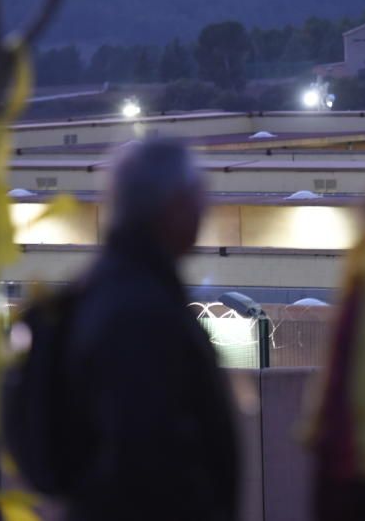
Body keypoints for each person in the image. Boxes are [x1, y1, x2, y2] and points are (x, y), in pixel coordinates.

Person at [57, 138, 239, 521]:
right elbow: (143, 460)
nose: (205, 209)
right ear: (170, 206)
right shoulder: (138, 313)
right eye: (197, 195)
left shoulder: (107, 291)